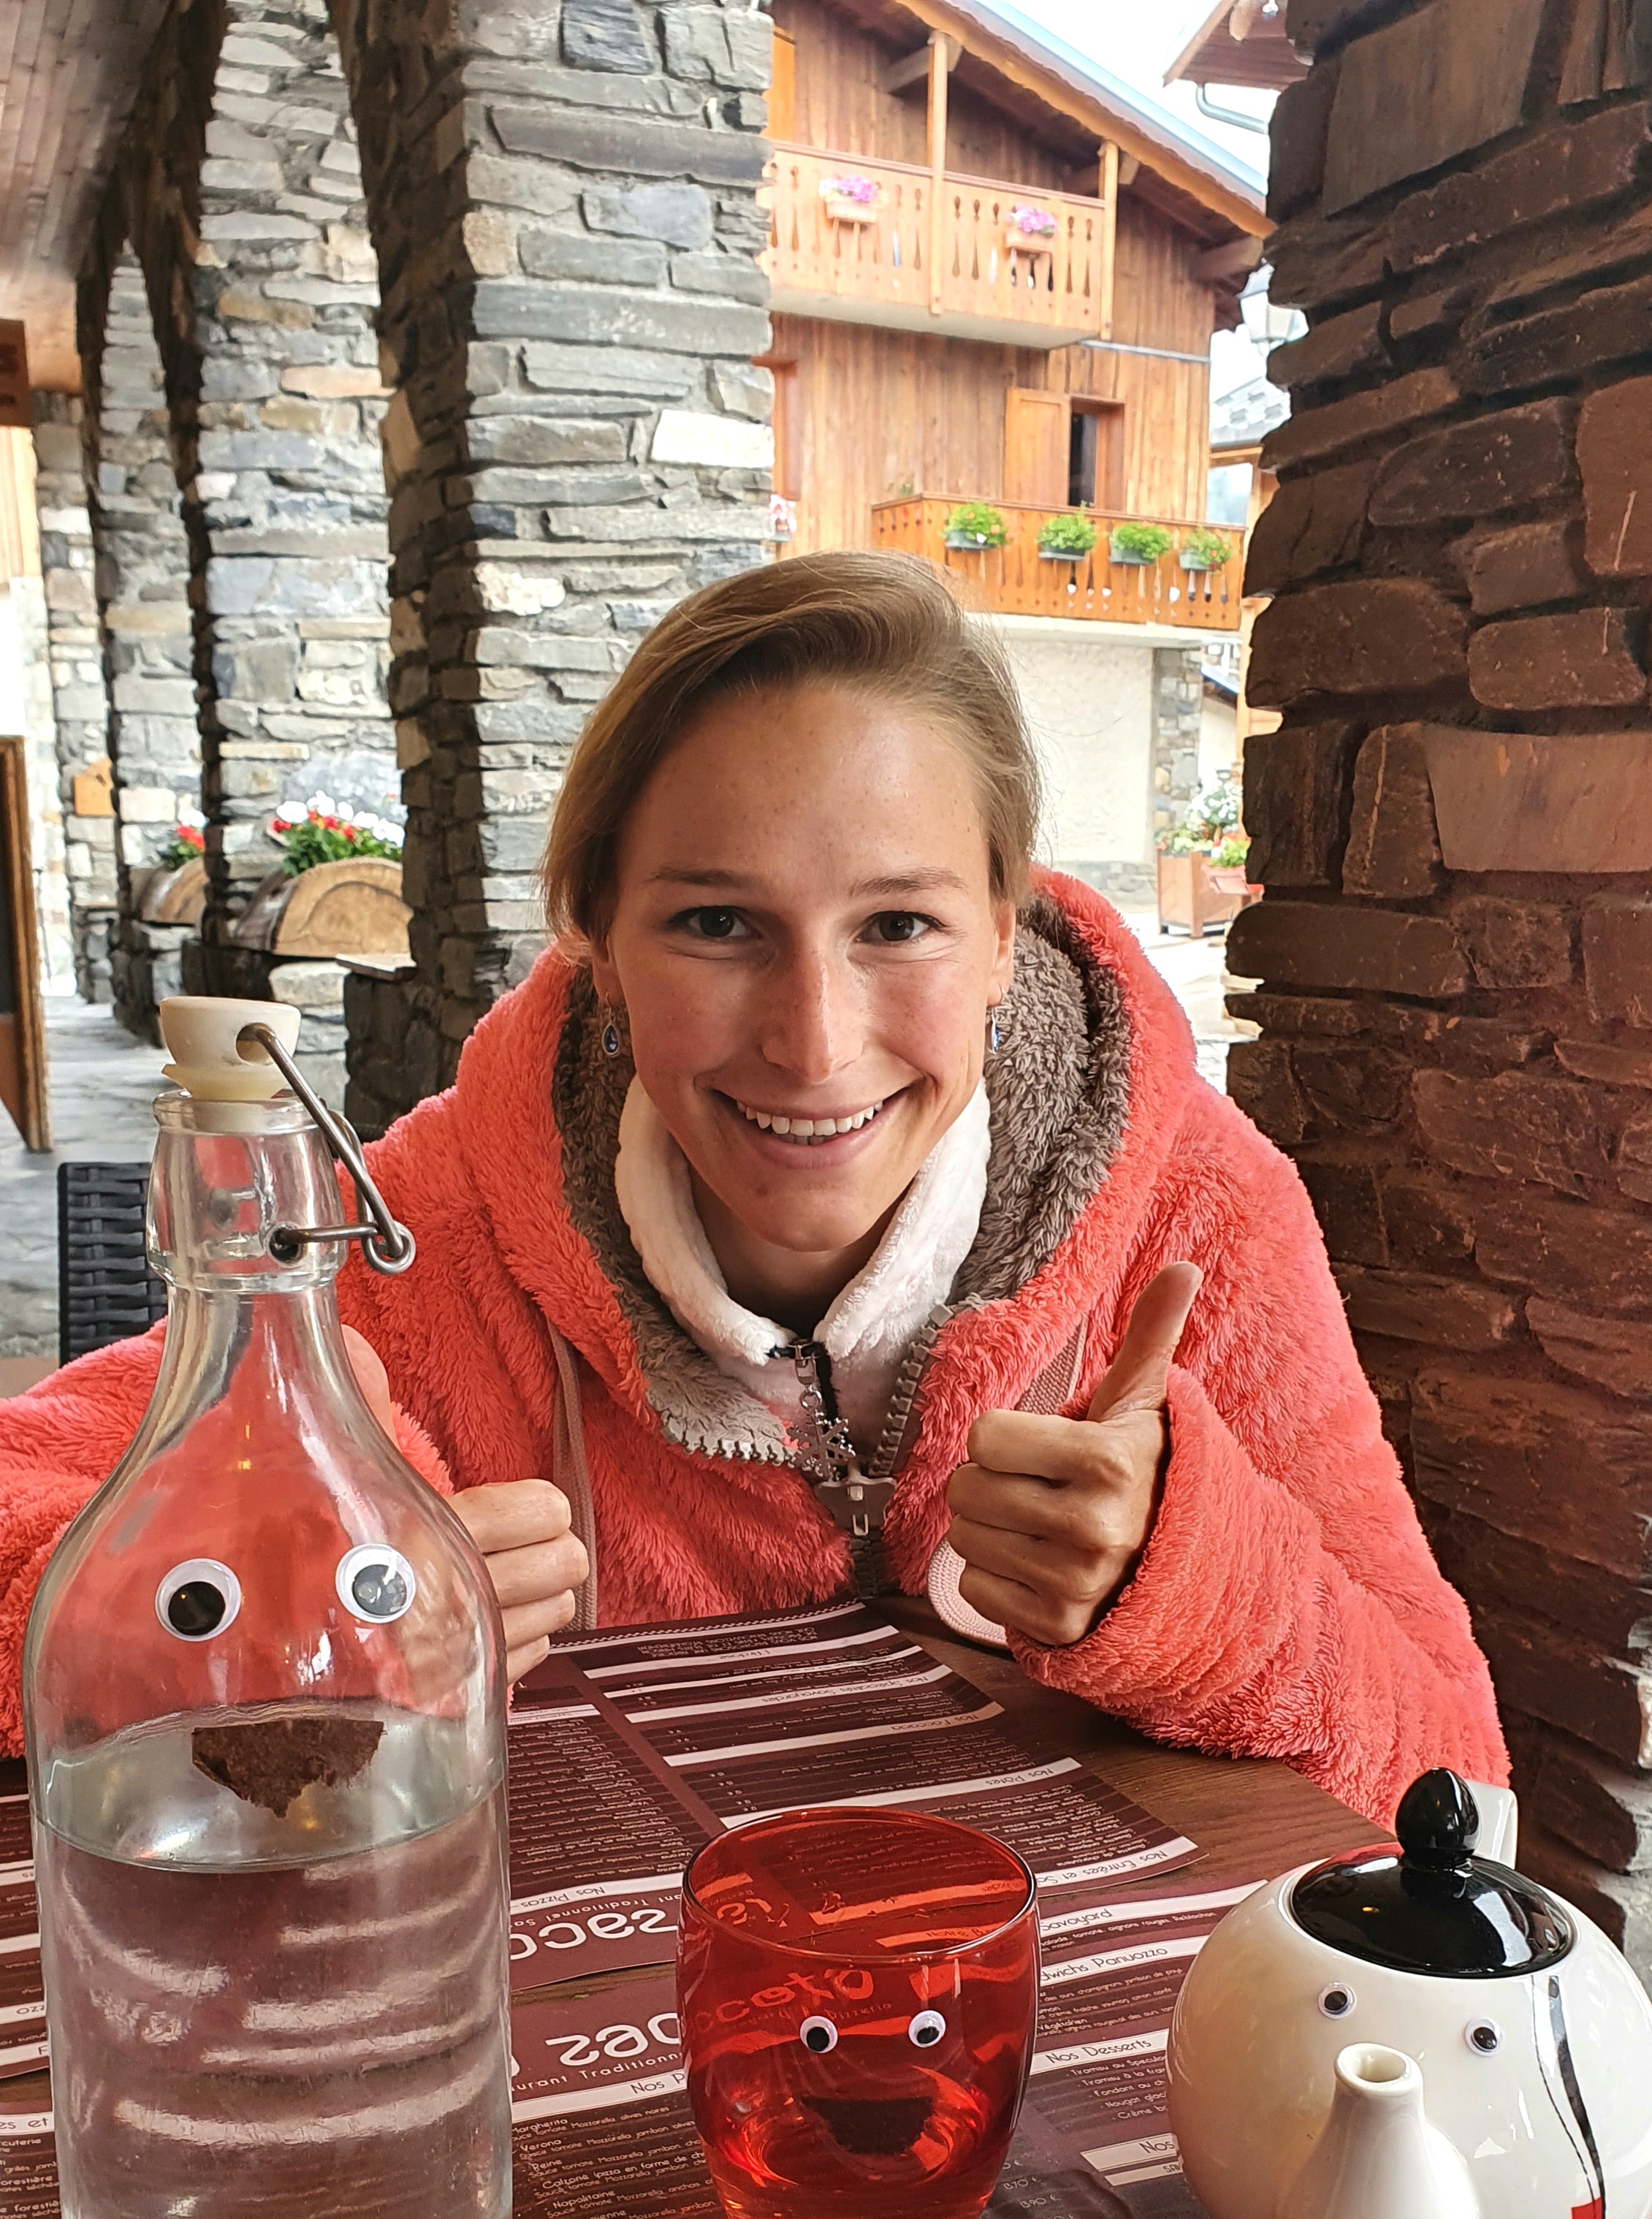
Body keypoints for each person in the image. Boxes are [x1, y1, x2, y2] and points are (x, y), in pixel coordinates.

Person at [0, 554, 1504, 1822]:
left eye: (899, 925)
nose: (813, 1042)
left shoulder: (1197, 1210)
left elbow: (1455, 1781)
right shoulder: (438, 1229)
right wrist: (294, 1592)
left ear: (1004, 930)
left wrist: (1186, 1575)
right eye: (717, 923)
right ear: (597, 938)